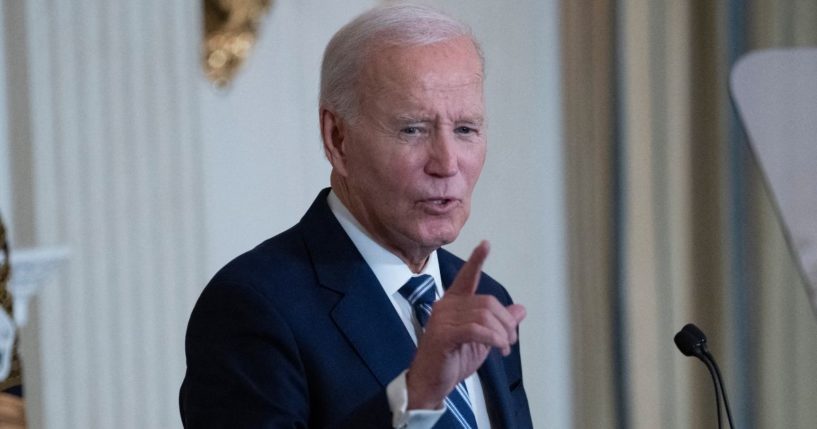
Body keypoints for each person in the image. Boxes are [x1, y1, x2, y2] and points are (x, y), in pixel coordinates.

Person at [180, 4, 532, 428]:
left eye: (465, 130)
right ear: (338, 138)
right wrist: (415, 396)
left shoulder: (486, 302)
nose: (446, 163)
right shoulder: (254, 307)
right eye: (413, 129)